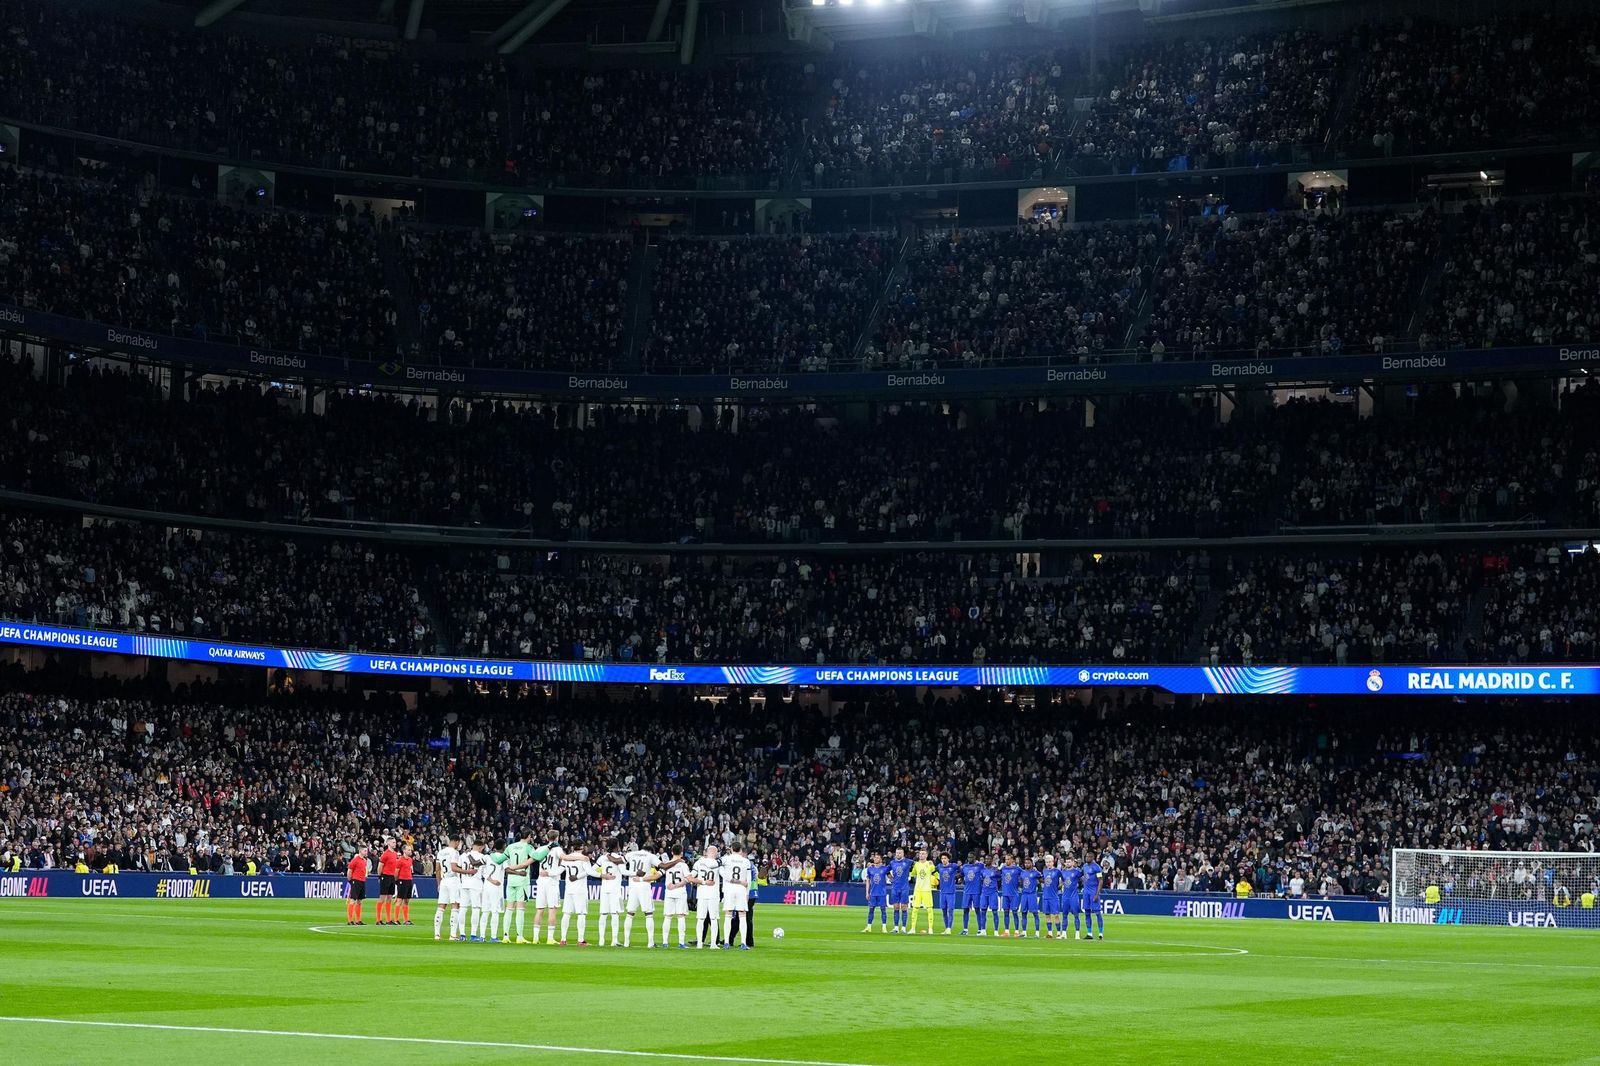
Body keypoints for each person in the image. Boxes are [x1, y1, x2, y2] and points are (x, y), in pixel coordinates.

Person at [501, 830, 539, 944]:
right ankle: (519, 936)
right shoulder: (528, 847)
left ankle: (505, 936)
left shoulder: (510, 847)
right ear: (528, 836)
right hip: (522, 879)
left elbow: (504, 862)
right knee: (521, 909)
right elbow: (536, 857)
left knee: (509, 908)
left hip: (511, 880)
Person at [622, 841, 662, 948]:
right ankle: (650, 942)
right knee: (648, 914)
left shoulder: (631, 854)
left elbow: (621, 864)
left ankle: (626, 942)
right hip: (644, 885)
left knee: (630, 914)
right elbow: (661, 865)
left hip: (632, 885)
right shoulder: (650, 856)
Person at [719, 842, 755, 950]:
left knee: (728, 915)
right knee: (742, 915)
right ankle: (743, 943)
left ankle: (726, 942)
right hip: (741, 890)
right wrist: (748, 893)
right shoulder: (746, 861)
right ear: (740, 850)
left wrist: (729, 879)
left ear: (731, 849)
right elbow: (748, 879)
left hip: (729, 888)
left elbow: (719, 870)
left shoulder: (726, 859)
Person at [533, 834, 565, 945]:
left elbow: (534, 858)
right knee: (552, 909)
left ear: (547, 838)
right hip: (551, 881)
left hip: (541, 880)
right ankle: (550, 938)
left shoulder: (541, 848)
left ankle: (535, 938)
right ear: (557, 838)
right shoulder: (557, 849)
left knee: (539, 909)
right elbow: (563, 859)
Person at [434, 832, 465, 941]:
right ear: (456, 842)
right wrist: (466, 871)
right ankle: (453, 935)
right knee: (455, 906)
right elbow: (454, 868)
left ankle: (437, 934)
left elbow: (437, 869)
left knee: (441, 907)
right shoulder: (454, 852)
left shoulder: (441, 852)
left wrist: (439, 883)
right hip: (453, 880)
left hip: (444, 880)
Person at [558, 845, 592, 945]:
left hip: (569, 889)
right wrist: (577, 876)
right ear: (581, 847)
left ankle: (563, 939)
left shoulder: (567, 858)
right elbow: (589, 872)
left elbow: (559, 871)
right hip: (580, 890)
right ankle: (580, 940)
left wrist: (548, 873)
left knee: (566, 913)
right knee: (581, 914)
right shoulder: (584, 859)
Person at [691, 845, 722, 948]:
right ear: (712, 853)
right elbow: (725, 876)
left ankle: (700, 943)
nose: (716, 854)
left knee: (701, 919)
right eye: (716, 852)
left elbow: (691, 877)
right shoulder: (717, 864)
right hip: (712, 894)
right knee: (712, 919)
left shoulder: (699, 863)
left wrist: (702, 882)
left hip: (703, 894)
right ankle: (712, 943)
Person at [660, 849, 691, 948]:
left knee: (668, 917)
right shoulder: (683, 865)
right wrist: (678, 885)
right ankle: (681, 943)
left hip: (669, 892)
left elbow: (659, 873)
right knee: (681, 917)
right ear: (681, 853)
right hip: (680, 892)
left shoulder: (667, 864)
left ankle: (665, 942)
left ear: (672, 852)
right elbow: (688, 879)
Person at [593, 845, 624, 947]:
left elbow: (592, 870)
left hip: (604, 889)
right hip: (615, 890)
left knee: (603, 914)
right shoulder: (619, 858)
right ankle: (614, 941)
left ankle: (601, 940)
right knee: (615, 914)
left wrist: (602, 875)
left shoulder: (602, 858)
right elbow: (624, 871)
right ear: (617, 847)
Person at [475, 847, 506, 943]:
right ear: (504, 846)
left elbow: (476, 864)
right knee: (495, 912)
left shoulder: (487, 857)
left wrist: (469, 856)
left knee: (485, 912)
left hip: (486, 886)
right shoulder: (504, 858)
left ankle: (482, 936)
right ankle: (493, 937)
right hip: (496, 888)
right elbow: (508, 869)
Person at [460, 837, 488, 942]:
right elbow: (485, 874)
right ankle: (473, 934)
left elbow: (459, 868)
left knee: (463, 908)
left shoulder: (463, 855)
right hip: (476, 884)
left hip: (464, 883)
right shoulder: (483, 857)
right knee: (475, 908)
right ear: (480, 847)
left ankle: (462, 934)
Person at [909, 848, 937, 934]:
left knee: (929, 909)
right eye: (920, 854)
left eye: (923, 854)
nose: (921, 855)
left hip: (927, 889)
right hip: (917, 889)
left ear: (926, 855)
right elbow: (912, 874)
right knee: (915, 908)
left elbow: (936, 874)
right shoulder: (916, 865)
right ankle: (913, 928)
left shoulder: (930, 864)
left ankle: (930, 929)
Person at [887, 847, 914, 933]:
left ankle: (903, 928)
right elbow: (886, 871)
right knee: (896, 907)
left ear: (903, 854)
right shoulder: (892, 862)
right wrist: (891, 879)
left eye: (900, 853)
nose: (898, 854)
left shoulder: (908, 861)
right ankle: (895, 927)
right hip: (895, 887)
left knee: (904, 907)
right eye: (897, 853)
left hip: (904, 887)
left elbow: (918, 865)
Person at [959, 852, 986, 935]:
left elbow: (985, 870)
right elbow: (961, 875)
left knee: (977, 910)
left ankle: (980, 929)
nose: (969, 859)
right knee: (965, 910)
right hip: (967, 891)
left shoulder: (979, 866)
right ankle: (965, 929)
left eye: (971, 857)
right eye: (968, 857)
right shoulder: (965, 867)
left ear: (975, 858)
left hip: (976, 891)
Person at [862, 852, 889, 932]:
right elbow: (867, 881)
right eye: (875, 858)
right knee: (871, 910)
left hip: (882, 893)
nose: (875, 859)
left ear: (881, 860)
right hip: (873, 893)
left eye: (877, 858)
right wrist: (867, 892)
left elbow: (890, 876)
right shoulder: (870, 869)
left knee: (883, 910)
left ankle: (884, 928)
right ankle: (869, 927)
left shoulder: (885, 868)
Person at [375, 837, 399, 925]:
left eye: (395, 842)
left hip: (392, 877)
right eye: (393, 842)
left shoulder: (395, 854)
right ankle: (378, 919)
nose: (395, 844)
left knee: (389, 898)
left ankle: (388, 919)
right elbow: (380, 866)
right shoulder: (385, 854)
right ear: (388, 843)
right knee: (382, 898)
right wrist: (380, 876)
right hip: (385, 876)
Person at [998, 853, 1022, 937]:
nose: (1006, 861)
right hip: (1005, 894)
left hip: (1014, 894)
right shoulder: (1003, 868)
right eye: (1005, 859)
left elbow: (1024, 875)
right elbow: (997, 873)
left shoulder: (1017, 869)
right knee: (1006, 912)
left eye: (1008, 859)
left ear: (1012, 860)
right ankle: (1006, 931)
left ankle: (1016, 931)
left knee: (1015, 912)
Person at [1082, 855, 1105, 940]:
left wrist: (1097, 894)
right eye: (1086, 856)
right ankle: (1089, 933)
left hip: (1093, 892)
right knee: (1087, 912)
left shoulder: (1097, 868)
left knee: (1097, 912)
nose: (1086, 858)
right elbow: (1082, 876)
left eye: (1088, 857)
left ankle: (1100, 933)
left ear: (1092, 858)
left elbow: (1100, 880)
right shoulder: (1084, 866)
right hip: (1086, 892)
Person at [345, 844, 369, 926]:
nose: (366, 852)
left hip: (362, 881)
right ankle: (350, 920)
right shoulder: (355, 860)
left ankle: (358, 920)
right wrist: (350, 880)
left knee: (359, 901)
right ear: (360, 851)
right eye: (365, 850)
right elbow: (349, 870)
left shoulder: (364, 861)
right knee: (353, 900)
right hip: (356, 881)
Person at [936, 852, 959, 935]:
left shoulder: (953, 866)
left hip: (951, 892)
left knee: (950, 910)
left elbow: (961, 869)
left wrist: (957, 877)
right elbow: (933, 871)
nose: (943, 860)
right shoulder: (939, 866)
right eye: (942, 859)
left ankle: (949, 928)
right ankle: (946, 928)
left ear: (948, 859)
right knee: (944, 910)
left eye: (945, 858)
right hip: (942, 892)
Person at [1040, 856, 1062, 939]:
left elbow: (1064, 879)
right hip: (1045, 896)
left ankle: (1059, 933)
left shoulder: (1057, 871)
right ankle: (1050, 933)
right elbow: (1042, 880)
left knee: (1056, 915)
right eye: (1047, 862)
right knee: (1047, 915)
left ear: (1053, 862)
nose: (1048, 863)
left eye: (1049, 862)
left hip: (1054, 896)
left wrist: (1059, 886)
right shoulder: (1045, 871)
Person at [977, 859, 1001, 935]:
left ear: (992, 861)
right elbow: (981, 880)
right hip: (984, 893)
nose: (987, 860)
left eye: (988, 859)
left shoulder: (995, 870)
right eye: (986, 859)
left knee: (994, 912)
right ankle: (983, 930)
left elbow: (1000, 878)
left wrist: (996, 888)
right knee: (983, 911)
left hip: (993, 893)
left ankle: (996, 931)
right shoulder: (982, 870)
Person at [394, 843, 416, 926]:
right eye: (408, 850)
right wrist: (397, 881)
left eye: (410, 850)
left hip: (409, 880)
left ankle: (406, 920)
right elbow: (396, 872)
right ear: (404, 850)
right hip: (402, 881)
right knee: (399, 900)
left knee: (406, 901)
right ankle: (396, 919)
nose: (410, 851)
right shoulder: (400, 860)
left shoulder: (410, 860)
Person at [1018, 860, 1041, 938]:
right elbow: (1021, 882)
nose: (1026, 864)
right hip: (1024, 895)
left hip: (1032, 895)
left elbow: (1041, 879)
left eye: (1028, 863)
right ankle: (1024, 932)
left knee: (1035, 913)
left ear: (1032, 864)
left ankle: (1037, 932)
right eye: (1025, 863)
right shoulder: (1022, 873)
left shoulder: (1035, 873)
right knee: (1023, 913)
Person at [1062, 858, 1083, 940]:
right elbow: (1063, 882)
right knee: (1064, 915)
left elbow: (1082, 875)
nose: (1067, 863)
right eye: (1066, 862)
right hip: (1065, 896)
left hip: (1073, 896)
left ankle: (1077, 934)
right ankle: (1064, 933)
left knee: (1076, 915)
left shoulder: (1077, 872)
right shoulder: (1063, 872)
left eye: (1069, 862)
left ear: (1073, 863)